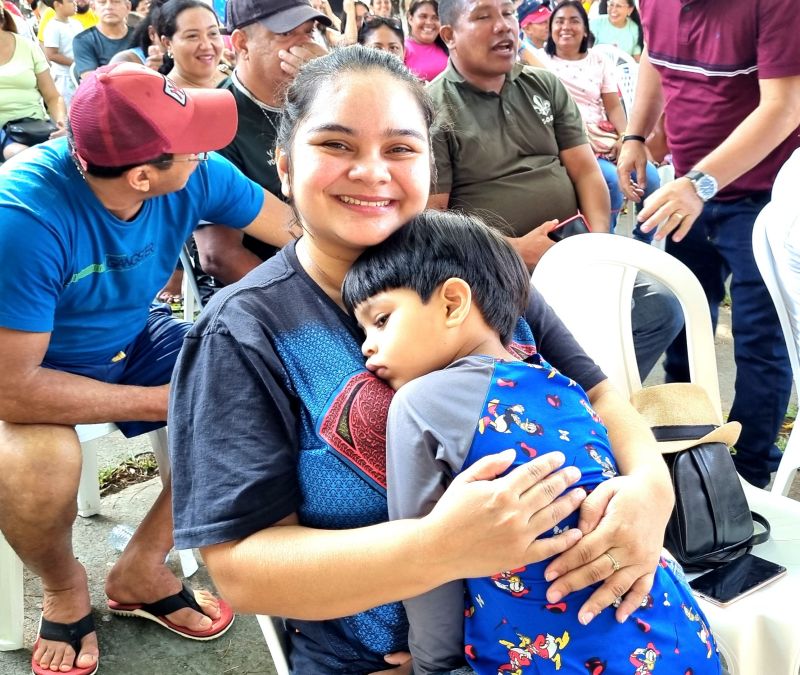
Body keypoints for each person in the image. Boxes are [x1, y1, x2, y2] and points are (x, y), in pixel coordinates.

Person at [169, 46, 676, 675]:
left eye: (401, 149)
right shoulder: (242, 335)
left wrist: (652, 494)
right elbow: (241, 570)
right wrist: (440, 549)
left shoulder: (476, 269)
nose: (372, 172)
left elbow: (599, 394)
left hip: (583, 634)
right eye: (336, 145)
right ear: (283, 167)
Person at [0, 62, 292, 675]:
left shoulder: (194, 173)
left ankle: (142, 565)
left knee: (252, 397)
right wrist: (167, 401)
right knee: (36, 463)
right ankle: (62, 584)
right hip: (32, 366)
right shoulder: (22, 219)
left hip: (133, 336)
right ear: (141, 176)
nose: (205, 153)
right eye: (190, 147)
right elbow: (13, 390)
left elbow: (297, 231)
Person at [342, 209, 721, 675]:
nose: (366, 347)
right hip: (679, 637)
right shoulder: (563, 385)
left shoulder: (420, 404)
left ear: (452, 303)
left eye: (380, 320)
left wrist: (434, 666)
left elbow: (430, 560)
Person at [428, 0, 680, 379]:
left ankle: (594, 403)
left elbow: (587, 173)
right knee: (533, 342)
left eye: (508, 14)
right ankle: (570, 406)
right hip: (492, 268)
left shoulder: (542, 85)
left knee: (660, 309)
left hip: (573, 247)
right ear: (449, 35)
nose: (504, 27)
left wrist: (595, 244)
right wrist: (511, 251)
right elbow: (434, 219)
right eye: (483, 16)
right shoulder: (434, 108)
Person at [617, 0, 800, 488]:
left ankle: (748, 474)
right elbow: (655, 59)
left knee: (761, 341)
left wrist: (700, 184)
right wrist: (638, 134)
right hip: (687, 186)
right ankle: (691, 453)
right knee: (683, 321)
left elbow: (784, 107)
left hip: (761, 196)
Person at [190, 0, 326, 295]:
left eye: (310, 31)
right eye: (286, 34)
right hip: (275, 284)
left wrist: (333, 84)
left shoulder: (322, 100)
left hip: (344, 263)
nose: (304, 47)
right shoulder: (215, 120)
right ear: (241, 43)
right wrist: (311, 301)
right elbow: (219, 255)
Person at [538, 0, 658, 235]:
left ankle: (644, 240)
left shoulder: (598, 60)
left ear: (585, 29)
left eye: (574, 21)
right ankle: (606, 243)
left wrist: (625, 137)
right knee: (611, 181)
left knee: (650, 177)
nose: (566, 27)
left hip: (604, 136)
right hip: (571, 141)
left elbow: (613, 106)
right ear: (550, 28)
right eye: (559, 21)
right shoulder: (540, 62)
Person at [0, 7, 66, 160]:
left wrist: (62, 123)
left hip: (33, 125)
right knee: (22, 155)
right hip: (6, 137)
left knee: (68, 154)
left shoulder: (27, 47)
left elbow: (53, 97)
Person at [72, 0, 134, 79]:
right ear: (93, 7)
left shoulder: (141, 37)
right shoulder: (82, 40)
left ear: (128, 7)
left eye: (116, 2)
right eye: (102, 2)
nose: (108, 7)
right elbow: (91, 81)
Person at [42, 0, 82, 106]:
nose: (75, 3)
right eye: (70, 1)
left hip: (80, 75)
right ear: (58, 4)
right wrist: (76, 63)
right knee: (69, 114)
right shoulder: (53, 27)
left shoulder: (76, 24)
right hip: (64, 79)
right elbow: (51, 54)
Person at [404, 0, 446, 81]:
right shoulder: (402, 48)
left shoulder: (448, 45)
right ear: (410, 18)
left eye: (435, 18)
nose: (429, 22)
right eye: (423, 16)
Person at [516, 0, 549, 65]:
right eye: (542, 22)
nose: (548, 26)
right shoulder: (520, 57)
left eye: (549, 21)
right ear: (527, 29)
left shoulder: (552, 48)